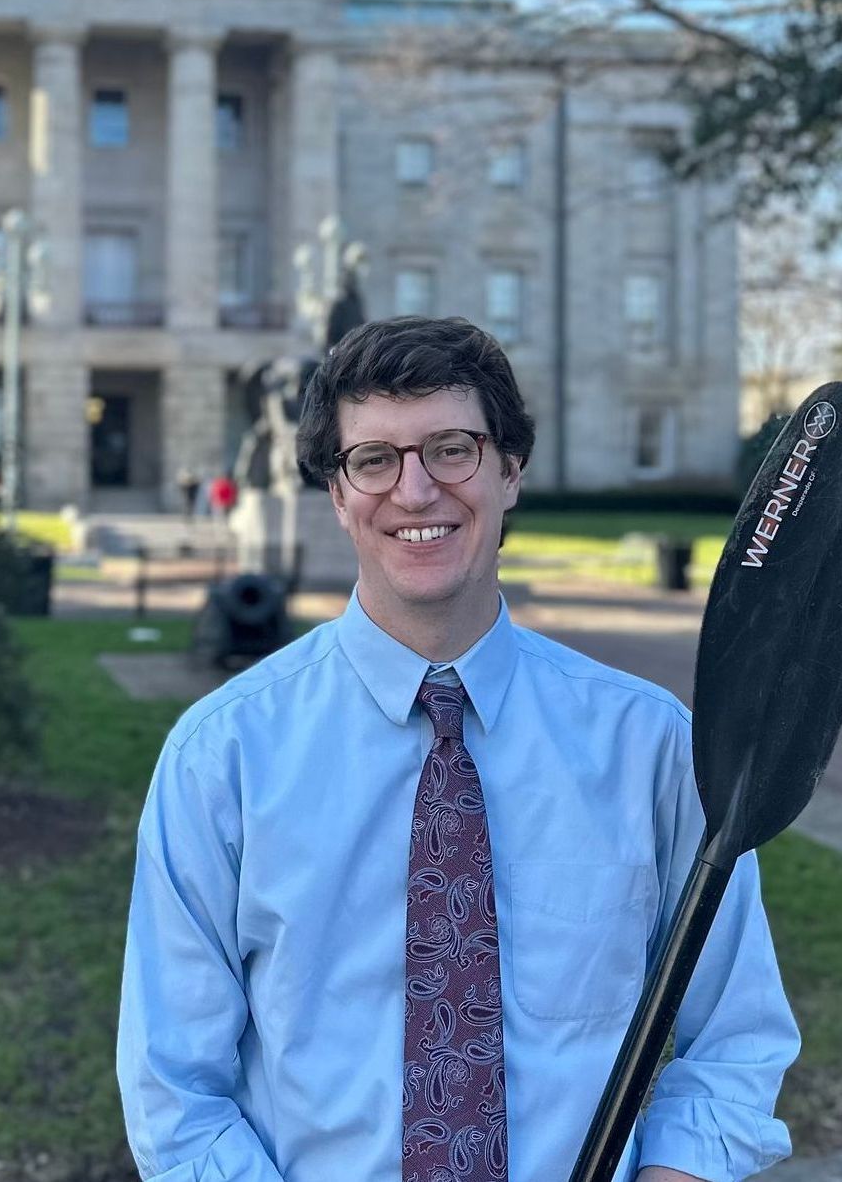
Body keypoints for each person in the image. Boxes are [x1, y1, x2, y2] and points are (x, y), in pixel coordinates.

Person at [117, 316, 799, 1182]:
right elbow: (173, 1084)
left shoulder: (652, 749)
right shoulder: (223, 757)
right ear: (337, 492)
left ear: (510, 470)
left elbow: (735, 1037)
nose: (414, 490)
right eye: (375, 460)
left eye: (451, 448)